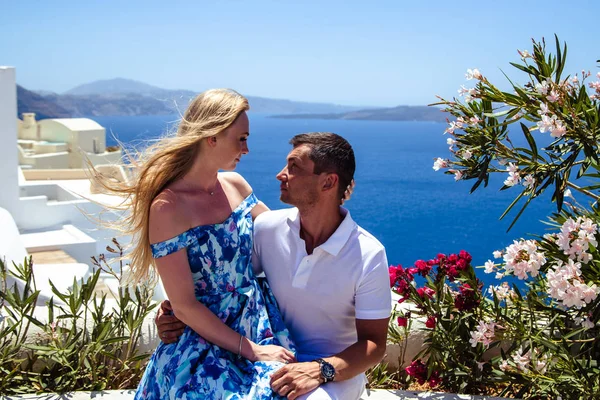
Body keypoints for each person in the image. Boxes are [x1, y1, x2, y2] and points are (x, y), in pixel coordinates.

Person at [157, 132, 392, 399]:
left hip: (333, 370)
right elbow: (225, 279)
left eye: (294, 168)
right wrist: (172, 309)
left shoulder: (368, 254)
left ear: (328, 182)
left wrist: (319, 370)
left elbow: (374, 344)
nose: (280, 175)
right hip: (270, 355)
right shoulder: (268, 229)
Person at [95, 88, 296, 399]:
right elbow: (186, 306)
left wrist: (331, 200)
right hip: (205, 340)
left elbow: (285, 236)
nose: (246, 149)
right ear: (211, 136)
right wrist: (252, 351)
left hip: (259, 323)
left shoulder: (236, 186)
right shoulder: (168, 206)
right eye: (241, 138)